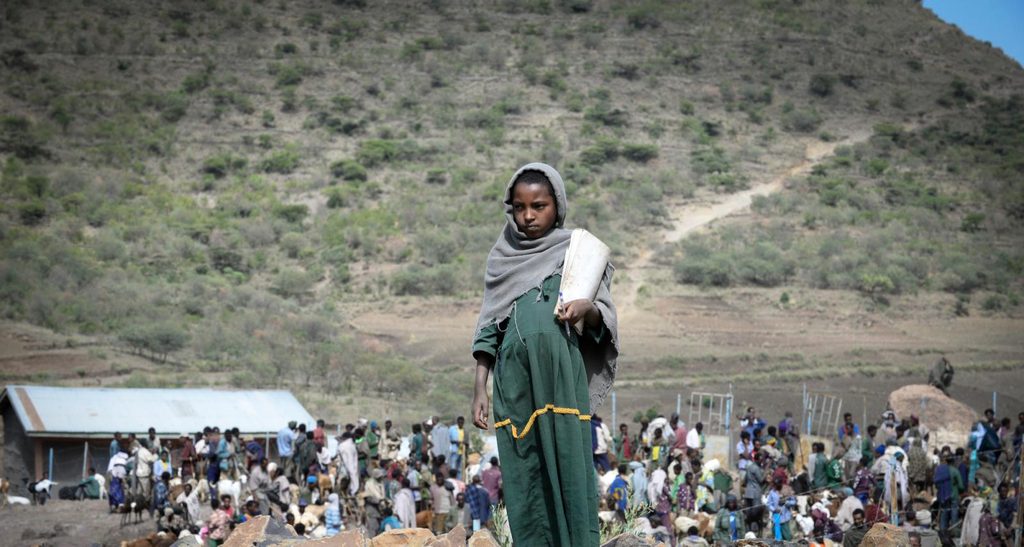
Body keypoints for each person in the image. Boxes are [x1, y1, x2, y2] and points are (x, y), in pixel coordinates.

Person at [469, 163, 618, 547]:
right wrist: (479, 388)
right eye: (520, 207)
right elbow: (490, 326)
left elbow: (603, 316)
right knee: (524, 466)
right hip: (515, 382)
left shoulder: (578, 252)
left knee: (568, 461)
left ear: (558, 206)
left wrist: (587, 309)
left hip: (559, 377)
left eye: (539, 205)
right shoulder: (502, 258)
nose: (529, 215)